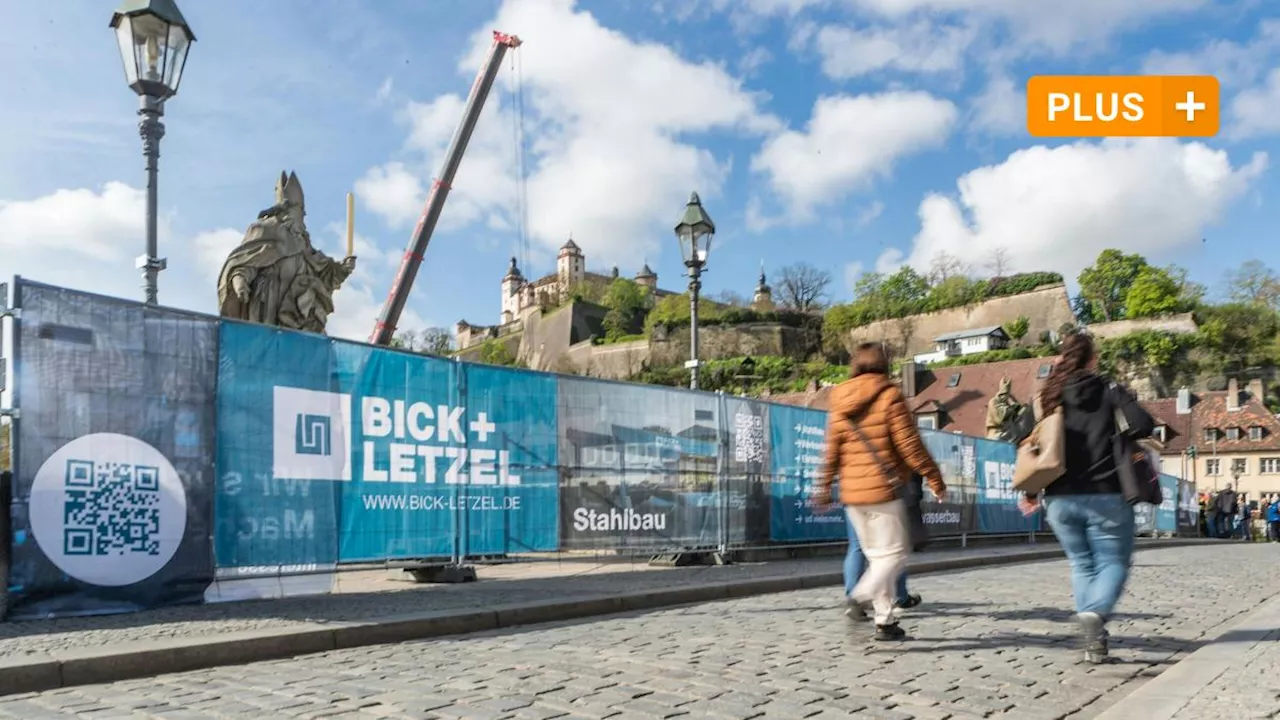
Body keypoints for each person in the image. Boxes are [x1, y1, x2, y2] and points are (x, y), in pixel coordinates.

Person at [1018, 332, 1154, 664]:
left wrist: (1032, 491)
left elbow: (1026, 441)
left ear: (1063, 359)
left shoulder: (1048, 395)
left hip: (1060, 499)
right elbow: (1143, 425)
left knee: (1082, 563)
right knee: (1112, 562)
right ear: (1092, 360)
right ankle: (1095, 613)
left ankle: (1095, 643)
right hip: (1106, 493)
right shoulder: (1108, 389)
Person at [811, 342, 947, 641]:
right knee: (895, 555)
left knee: (877, 558)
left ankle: (885, 623)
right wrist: (935, 478)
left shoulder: (839, 400)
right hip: (883, 492)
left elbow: (830, 452)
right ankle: (859, 595)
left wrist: (823, 487)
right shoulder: (889, 395)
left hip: (852, 495)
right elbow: (910, 446)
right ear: (884, 365)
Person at [843, 514, 921, 622]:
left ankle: (852, 597)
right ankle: (898, 597)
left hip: (853, 501)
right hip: (881, 502)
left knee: (856, 546)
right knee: (893, 547)